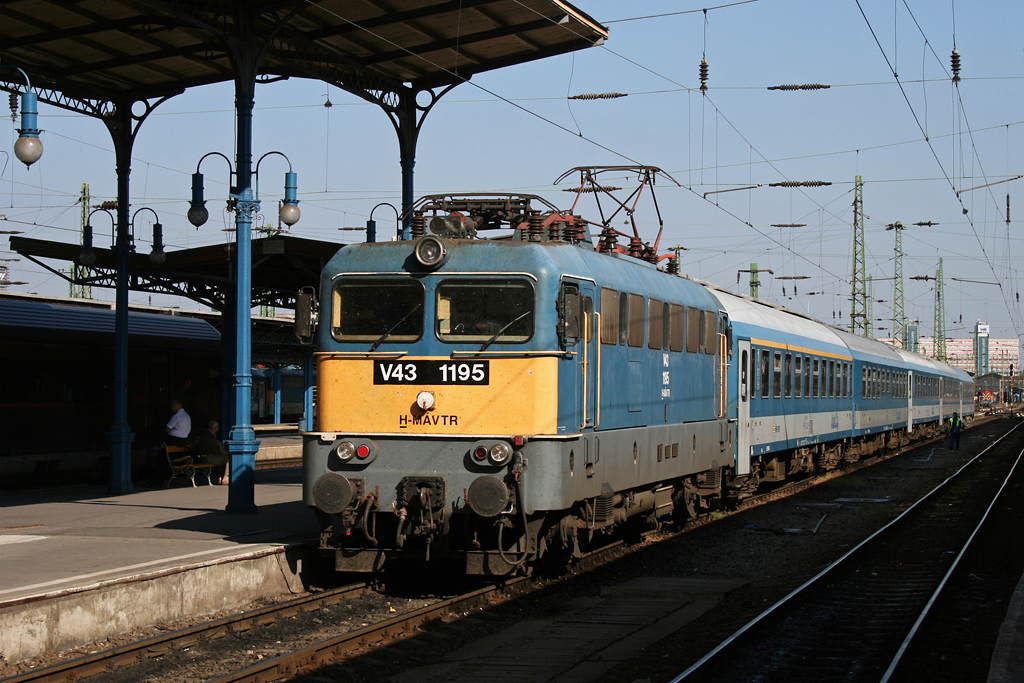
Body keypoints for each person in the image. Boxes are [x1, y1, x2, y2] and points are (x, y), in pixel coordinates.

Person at [193, 420, 230, 485]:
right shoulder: (210, 436)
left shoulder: (207, 434)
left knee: (225, 458)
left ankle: (221, 477)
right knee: (229, 458)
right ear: (215, 428)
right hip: (208, 457)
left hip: (205, 456)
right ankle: (225, 477)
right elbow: (215, 450)